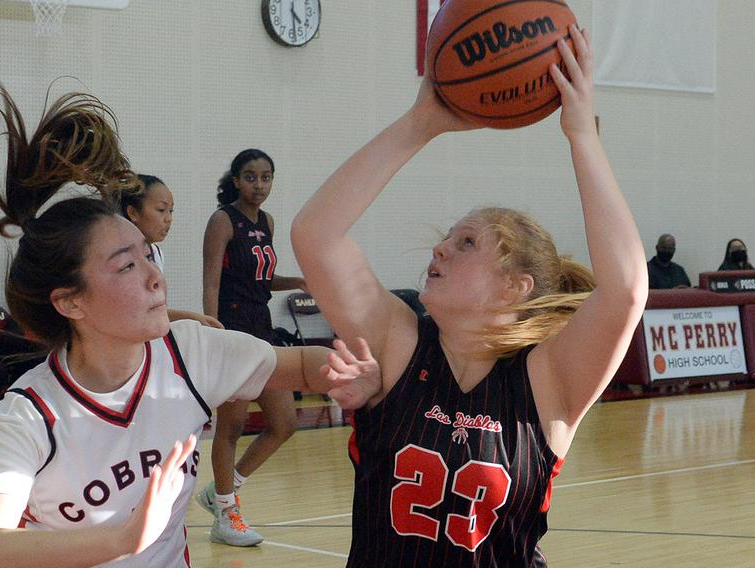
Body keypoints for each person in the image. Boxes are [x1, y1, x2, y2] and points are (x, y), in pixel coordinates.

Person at [0, 77, 375, 568]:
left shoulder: (191, 351)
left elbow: (303, 365)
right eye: (127, 265)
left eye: (146, 255)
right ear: (71, 303)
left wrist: (352, 374)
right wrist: (119, 540)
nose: (155, 277)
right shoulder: (31, 413)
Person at [292, 27, 648, 566]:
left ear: (514, 286)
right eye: (449, 237)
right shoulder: (397, 342)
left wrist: (582, 136)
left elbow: (624, 289)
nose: (439, 248)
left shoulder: (549, 379)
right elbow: (316, 234)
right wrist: (420, 126)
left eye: (466, 243)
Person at [197, 149, 308, 546]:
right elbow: (211, 280)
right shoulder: (222, 220)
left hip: (262, 326)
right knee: (232, 426)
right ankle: (225, 516)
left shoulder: (267, 222)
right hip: (232, 326)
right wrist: (213, 333)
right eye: (250, 177)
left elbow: (261, 276)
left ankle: (222, 491)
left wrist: (294, 281)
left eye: (265, 178)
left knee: (284, 423)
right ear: (236, 179)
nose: (258, 185)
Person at [119, 174, 222, 328]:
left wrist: (195, 319)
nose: (168, 219)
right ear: (132, 212)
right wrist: (191, 317)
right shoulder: (119, 257)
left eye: (171, 211)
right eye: (161, 210)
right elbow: (135, 312)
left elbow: (157, 311)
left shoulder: (156, 252)